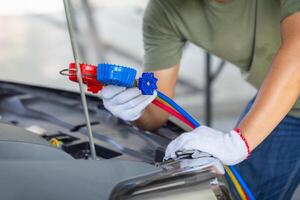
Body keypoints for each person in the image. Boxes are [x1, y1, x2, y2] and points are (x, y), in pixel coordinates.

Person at [101, 0, 300, 199]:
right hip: (290, 109)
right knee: (242, 193)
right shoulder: (166, 9)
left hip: (286, 102)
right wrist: (134, 108)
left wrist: (238, 143)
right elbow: (157, 110)